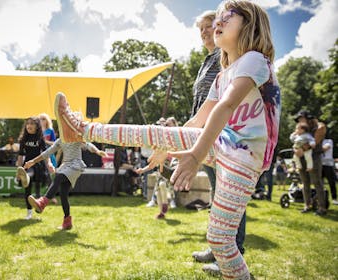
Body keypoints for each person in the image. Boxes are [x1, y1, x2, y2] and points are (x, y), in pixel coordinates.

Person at [53, 1, 280, 277]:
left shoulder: (254, 59)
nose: (217, 22)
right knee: (219, 238)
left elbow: (226, 107)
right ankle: (82, 130)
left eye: (227, 17)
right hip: (224, 144)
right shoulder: (222, 76)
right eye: (217, 17)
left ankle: (83, 130)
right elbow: (197, 121)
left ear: (249, 25)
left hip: (244, 157)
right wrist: (165, 148)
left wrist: (195, 155)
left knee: (221, 239)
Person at [186, 9, 246, 275]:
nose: (205, 32)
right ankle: (217, 247)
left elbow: (225, 101)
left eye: (209, 26)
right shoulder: (208, 60)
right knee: (215, 190)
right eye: (201, 29)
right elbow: (203, 101)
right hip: (204, 131)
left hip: (223, 133)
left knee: (229, 192)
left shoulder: (227, 59)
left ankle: (234, 252)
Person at [25, 138, 107, 230]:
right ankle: (67, 222)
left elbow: (88, 145)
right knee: (63, 195)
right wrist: (33, 161)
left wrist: (97, 151)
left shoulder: (76, 137)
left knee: (58, 178)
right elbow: (47, 152)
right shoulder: (60, 141)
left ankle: (42, 202)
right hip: (65, 166)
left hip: (75, 166)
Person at [15, 116, 52, 220]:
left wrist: (49, 164)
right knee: (27, 190)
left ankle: (38, 207)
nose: (29, 126)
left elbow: (46, 153)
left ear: (37, 126)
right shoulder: (23, 139)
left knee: (38, 190)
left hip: (38, 166)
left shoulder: (40, 139)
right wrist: (18, 170)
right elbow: (21, 156)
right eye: (28, 124)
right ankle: (29, 212)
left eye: (32, 124)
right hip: (27, 165)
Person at [294, 110, 327, 216]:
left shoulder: (319, 127)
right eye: (299, 120)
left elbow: (313, 143)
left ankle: (322, 207)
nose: (300, 122)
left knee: (317, 182)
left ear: (308, 119)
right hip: (301, 158)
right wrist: (296, 150)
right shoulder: (301, 130)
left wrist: (301, 149)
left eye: (302, 119)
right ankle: (307, 205)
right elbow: (296, 141)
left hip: (314, 157)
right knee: (305, 183)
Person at [321, 139, 337, 205]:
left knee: (331, 182)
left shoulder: (329, 141)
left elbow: (325, 148)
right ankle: (322, 198)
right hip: (319, 164)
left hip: (328, 165)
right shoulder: (317, 141)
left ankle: (334, 198)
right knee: (320, 182)